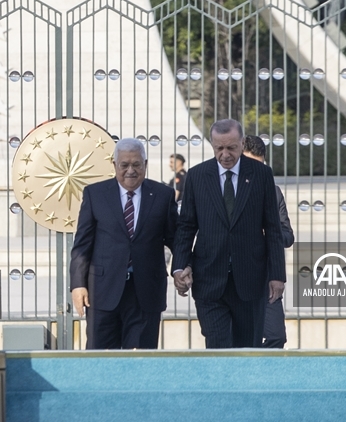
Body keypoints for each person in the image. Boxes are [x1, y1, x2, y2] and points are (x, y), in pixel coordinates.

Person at [172, 119, 285, 348]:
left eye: (231, 148)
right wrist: (179, 266)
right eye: (219, 148)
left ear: (242, 143)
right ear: (212, 145)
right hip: (210, 280)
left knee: (247, 350)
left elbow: (273, 228)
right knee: (218, 347)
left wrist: (277, 275)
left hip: (250, 281)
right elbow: (186, 227)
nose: (225, 154)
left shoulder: (261, 175)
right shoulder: (196, 176)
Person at [70, 138, 177, 349]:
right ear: (114, 165)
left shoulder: (163, 195)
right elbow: (82, 244)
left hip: (145, 293)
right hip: (102, 292)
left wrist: (182, 268)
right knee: (100, 359)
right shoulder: (95, 194)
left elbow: (174, 239)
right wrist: (78, 284)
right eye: (124, 165)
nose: (131, 171)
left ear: (145, 165)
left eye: (136, 164)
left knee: (141, 361)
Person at [242, 134, 294, 349]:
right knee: (239, 340)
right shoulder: (224, 191)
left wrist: (268, 231)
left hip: (266, 280)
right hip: (232, 278)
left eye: (260, 165)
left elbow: (287, 235)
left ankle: (261, 377)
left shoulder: (273, 193)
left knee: (276, 336)